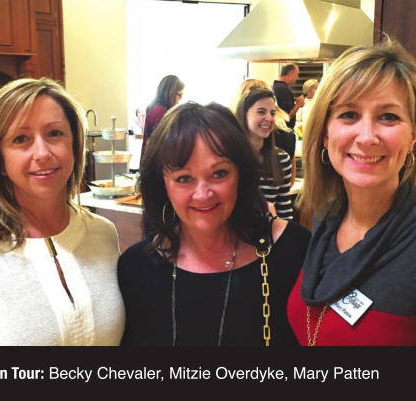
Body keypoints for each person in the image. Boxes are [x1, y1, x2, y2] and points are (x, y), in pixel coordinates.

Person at [287, 38, 416, 345]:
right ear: (324, 133)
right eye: (349, 114)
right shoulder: (325, 217)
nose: (366, 137)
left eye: (388, 117)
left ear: (414, 136)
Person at [118, 102, 311, 346]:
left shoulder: (293, 250)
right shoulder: (135, 268)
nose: (203, 194)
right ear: (163, 185)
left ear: (240, 175)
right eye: (184, 178)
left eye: (219, 173)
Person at [0, 77, 125, 346]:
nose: (42, 153)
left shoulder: (102, 234)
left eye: (54, 133)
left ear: (74, 146)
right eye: (21, 139)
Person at [233, 86, 294, 219]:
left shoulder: (281, 159)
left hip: (268, 230)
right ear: (244, 114)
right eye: (261, 112)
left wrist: (287, 231)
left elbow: (284, 209)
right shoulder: (230, 157)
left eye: (272, 113)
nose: (269, 118)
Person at [141, 75, 185, 159]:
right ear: (171, 93)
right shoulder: (160, 111)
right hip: (156, 160)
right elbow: (161, 143)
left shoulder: (155, 107)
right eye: (180, 94)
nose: (181, 98)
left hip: (150, 158)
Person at [272, 63, 305, 131]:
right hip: (284, 131)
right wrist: (298, 105)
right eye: (297, 74)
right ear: (291, 74)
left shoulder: (274, 86)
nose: (297, 77)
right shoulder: (284, 89)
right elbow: (286, 116)